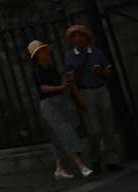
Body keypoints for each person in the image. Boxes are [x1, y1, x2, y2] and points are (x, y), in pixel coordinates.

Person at [27, 40, 93, 181]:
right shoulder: (37, 70)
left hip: (60, 101)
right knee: (65, 132)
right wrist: (61, 87)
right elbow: (43, 88)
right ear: (36, 55)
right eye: (41, 51)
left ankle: (59, 168)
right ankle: (81, 166)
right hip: (49, 104)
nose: (45, 52)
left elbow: (58, 83)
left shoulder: (50, 67)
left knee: (59, 137)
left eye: (44, 50)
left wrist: (65, 81)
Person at [63, 25, 123, 172]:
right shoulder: (70, 56)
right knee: (94, 129)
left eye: (80, 35)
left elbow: (108, 70)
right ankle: (95, 159)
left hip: (101, 89)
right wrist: (79, 98)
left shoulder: (96, 52)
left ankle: (112, 160)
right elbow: (72, 80)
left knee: (108, 126)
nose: (77, 38)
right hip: (85, 91)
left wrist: (101, 71)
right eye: (74, 36)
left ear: (86, 37)